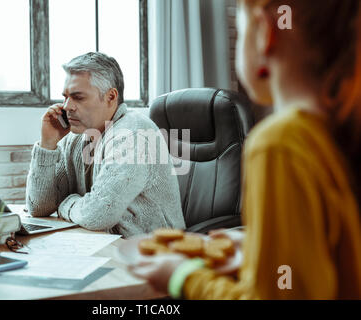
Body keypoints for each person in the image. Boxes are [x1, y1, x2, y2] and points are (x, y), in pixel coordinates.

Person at [129, 0, 361, 299]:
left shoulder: (280, 145)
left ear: (266, 32)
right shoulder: (338, 132)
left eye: (241, 29)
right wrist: (257, 248)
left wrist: (182, 277)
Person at [25, 52, 185, 238]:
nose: (67, 106)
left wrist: (66, 204)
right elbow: (38, 208)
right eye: (66, 97)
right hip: (105, 244)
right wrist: (48, 145)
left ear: (111, 97)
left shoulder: (133, 134)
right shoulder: (75, 137)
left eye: (78, 97)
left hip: (155, 253)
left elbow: (97, 216)